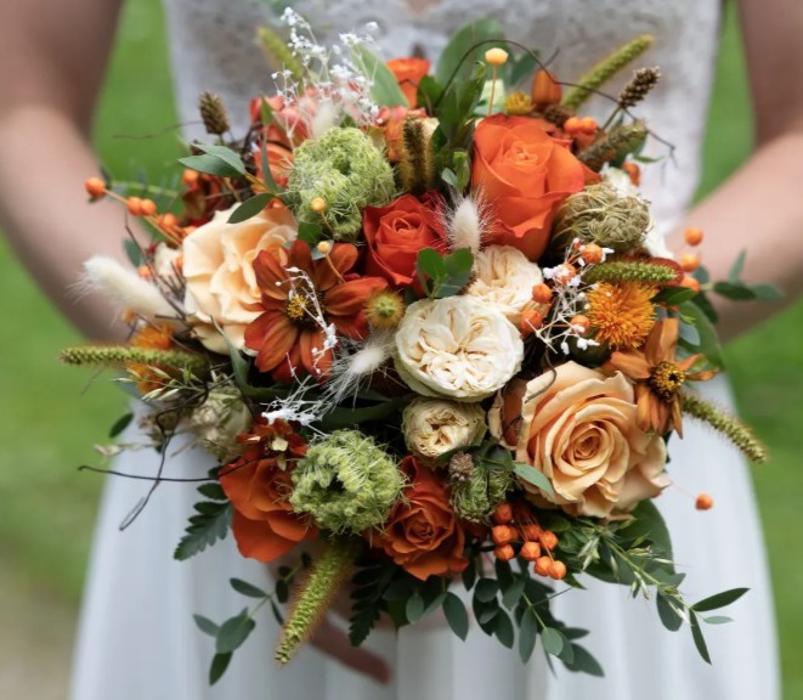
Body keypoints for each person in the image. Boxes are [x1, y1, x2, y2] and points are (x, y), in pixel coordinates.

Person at [1, 0, 800, 698]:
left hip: (598, 450)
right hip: (242, 460)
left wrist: (586, 335)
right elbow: (21, 109)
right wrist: (220, 372)